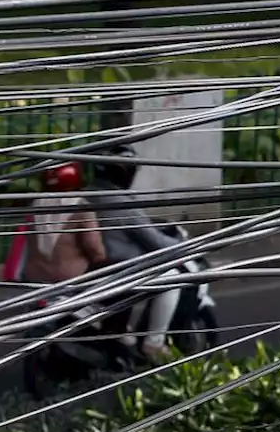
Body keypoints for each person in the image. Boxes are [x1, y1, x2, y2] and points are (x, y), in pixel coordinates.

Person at [86, 144, 184, 362]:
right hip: (118, 270)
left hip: (92, 270)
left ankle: (121, 331)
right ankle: (154, 344)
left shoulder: (90, 194)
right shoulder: (120, 202)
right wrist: (180, 243)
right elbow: (154, 241)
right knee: (172, 278)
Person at [18, 161, 108, 286]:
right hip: (69, 279)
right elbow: (94, 248)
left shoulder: (34, 205)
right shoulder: (80, 206)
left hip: (34, 277)